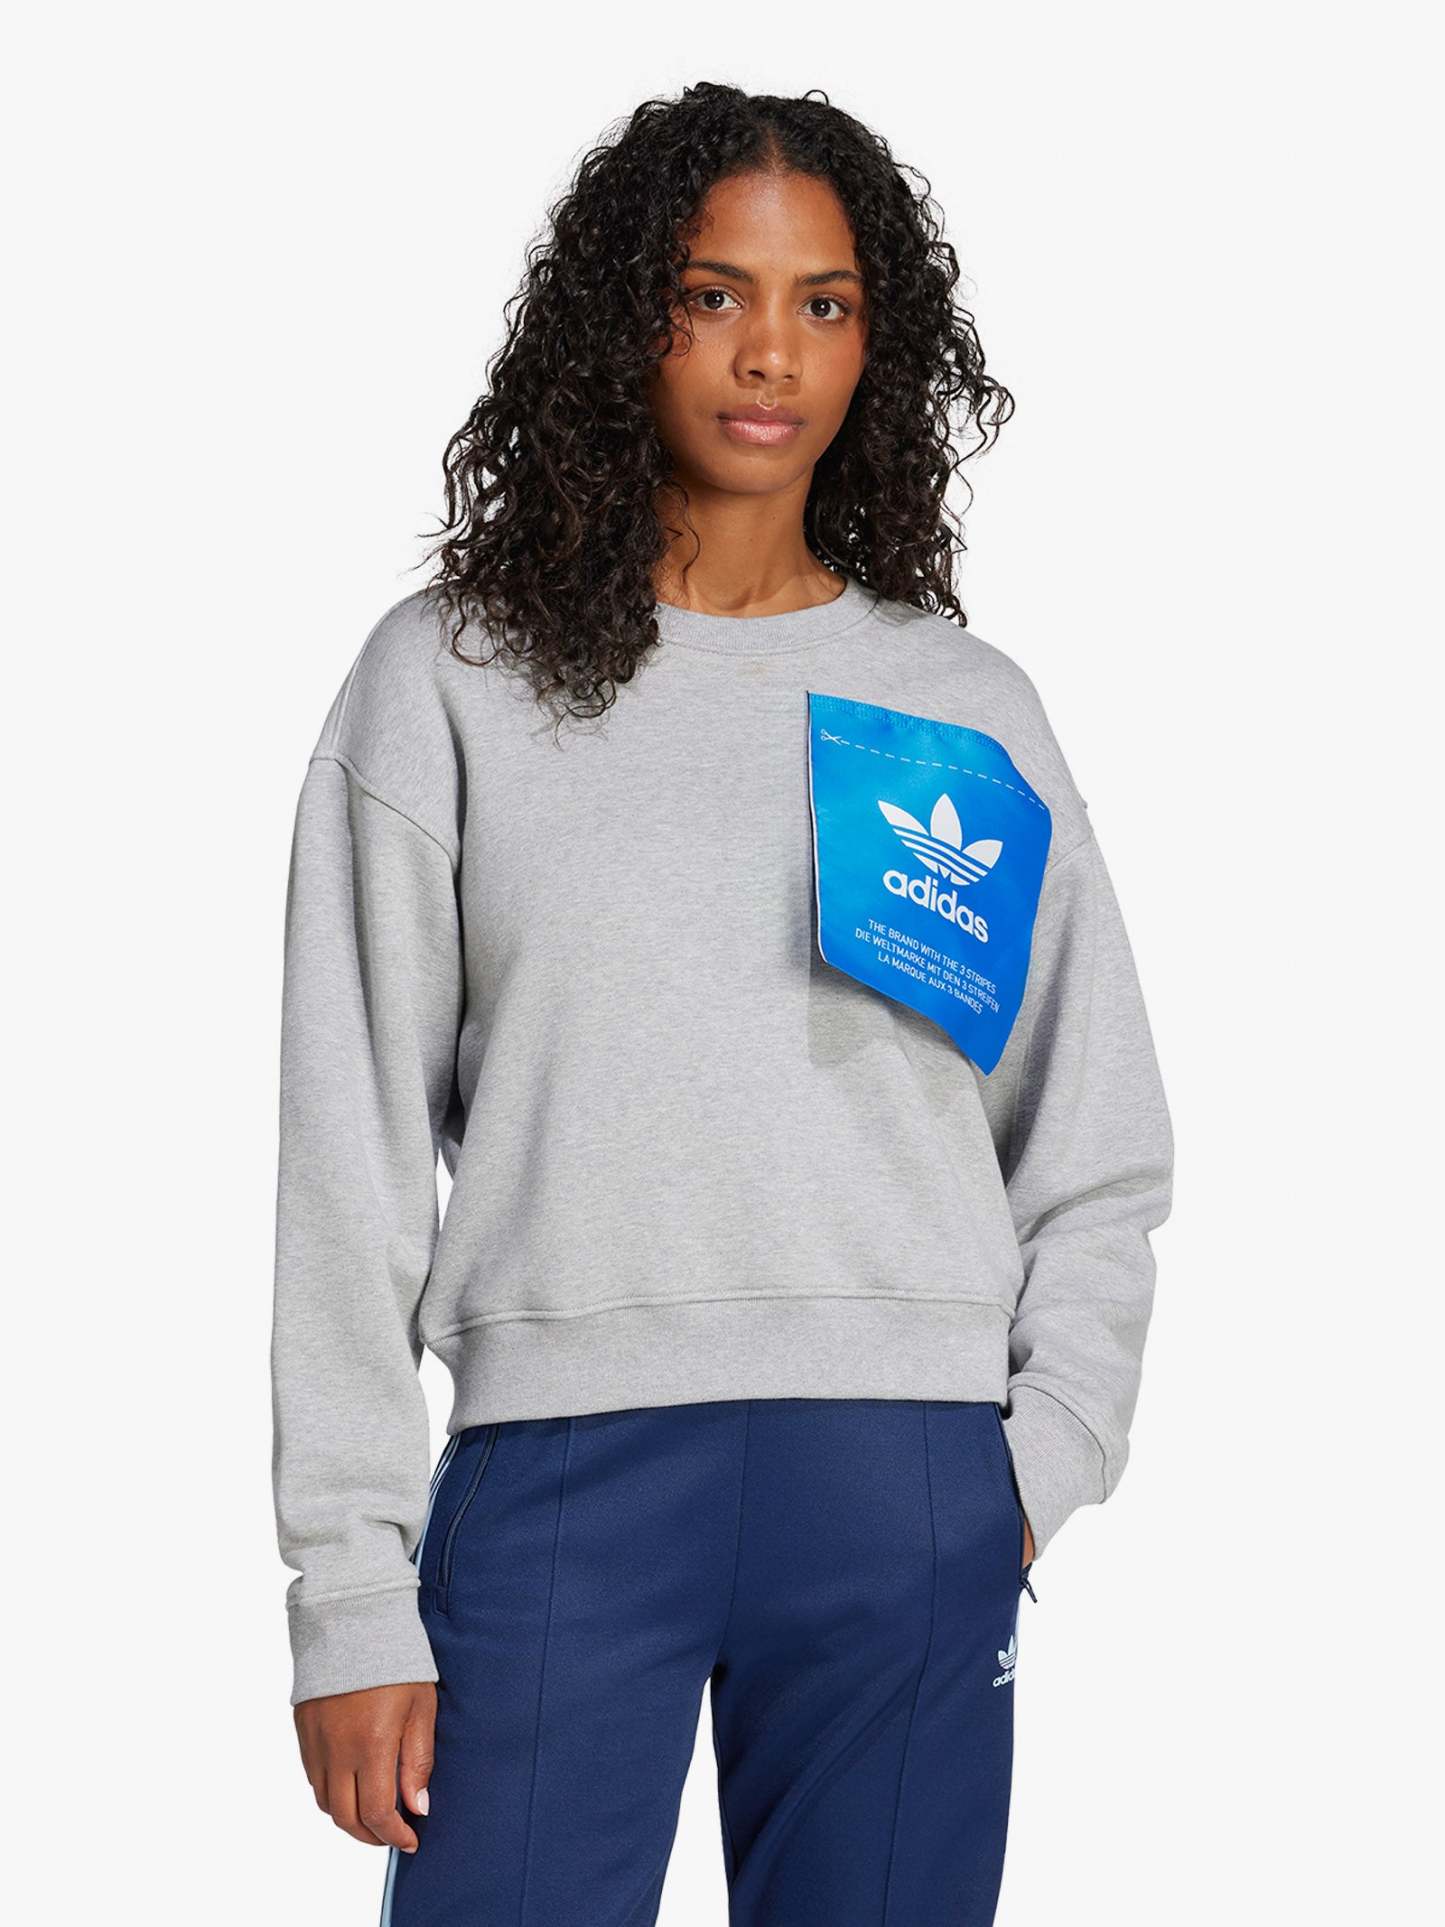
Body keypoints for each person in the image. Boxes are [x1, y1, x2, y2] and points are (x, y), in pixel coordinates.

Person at [270, 81, 1174, 1927]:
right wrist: (349, 1587)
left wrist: (1035, 1462)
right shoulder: (447, 681)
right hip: (562, 1479)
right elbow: (347, 1155)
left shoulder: (961, 710)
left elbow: (1091, 1141)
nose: (772, 354)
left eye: (823, 303)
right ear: (626, 321)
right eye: (713, 295)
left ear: (874, 341)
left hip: (906, 1480)